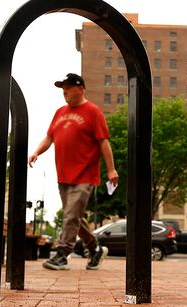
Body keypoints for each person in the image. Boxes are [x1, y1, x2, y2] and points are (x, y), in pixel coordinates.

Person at [28, 73, 119, 271]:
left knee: (70, 215)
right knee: (75, 217)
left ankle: (62, 254)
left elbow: (103, 142)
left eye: (68, 88)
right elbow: (49, 137)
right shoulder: (60, 112)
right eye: (63, 89)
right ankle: (95, 249)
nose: (65, 92)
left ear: (80, 88)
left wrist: (111, 169)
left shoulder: (93, 112)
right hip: (63, 176)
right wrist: (36, 152)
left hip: (85, 175)